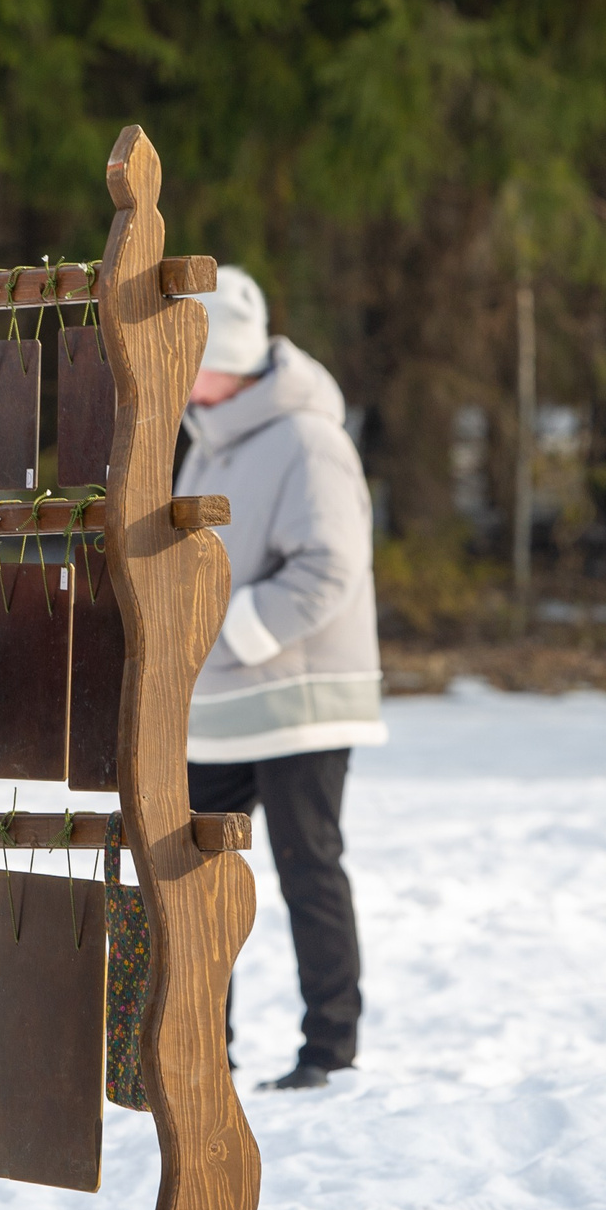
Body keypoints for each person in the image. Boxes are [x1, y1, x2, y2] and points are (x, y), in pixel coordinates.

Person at [177, 265, 384, 1093]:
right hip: (220, 703)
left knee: (308, 871)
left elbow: (331, 567)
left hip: (299, 705)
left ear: (218, 352)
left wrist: (227, 628)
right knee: (195, 878)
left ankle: (329, 1052)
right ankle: (201, 1052)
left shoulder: (309, 439)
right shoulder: (206, 436)